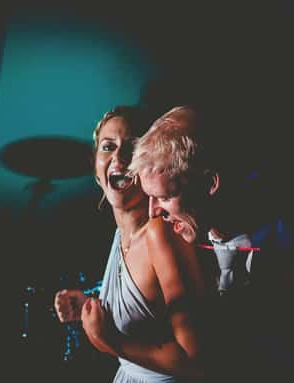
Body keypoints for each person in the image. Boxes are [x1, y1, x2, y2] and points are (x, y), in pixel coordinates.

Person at [128, 104, 294, 381]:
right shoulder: (185, 240)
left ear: (210, 184)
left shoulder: (289, 239)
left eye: (164, 197)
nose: (153, 211)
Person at [53, 106, 213, 382]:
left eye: (132, 147)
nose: (118, 156)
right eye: (108, 147)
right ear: (96, 170)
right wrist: (91, 303)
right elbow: (147, 303)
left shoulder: (159, 235)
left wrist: (109, 341)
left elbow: (196, 363)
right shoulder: (121, 234)